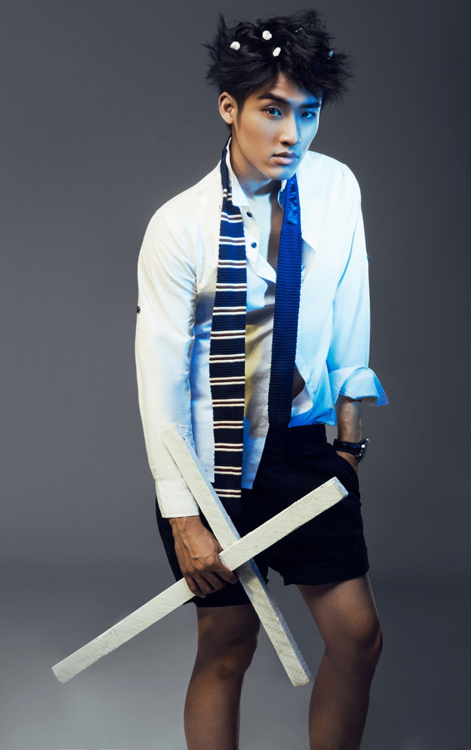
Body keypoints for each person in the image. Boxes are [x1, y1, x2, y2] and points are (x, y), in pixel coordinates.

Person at [135, 10, 389, 750]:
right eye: (272, 111)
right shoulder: (179, 226)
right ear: (230, 108)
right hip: (213, 467)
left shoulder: (336, 188)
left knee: (358, 638)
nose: (291, 133)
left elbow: (350, 312)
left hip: (307, 449)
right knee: (228, 647)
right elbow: (160, 380)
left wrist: (348, 443)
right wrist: (184, 519)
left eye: (307, 113)